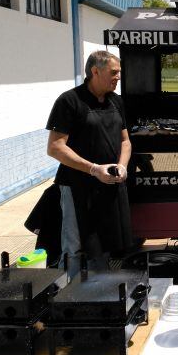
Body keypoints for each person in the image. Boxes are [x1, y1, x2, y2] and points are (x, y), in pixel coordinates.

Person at [46, 50, 132, 271]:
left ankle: (100, 292)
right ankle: (72, 297)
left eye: (119, 72)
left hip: (109, 184)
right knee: (75, 246)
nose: (118, 77)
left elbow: (125, 142)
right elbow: (55, 147)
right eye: (114, 72)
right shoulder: (69, 101)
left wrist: (121, 166)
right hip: (77, 186)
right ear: (95, 71)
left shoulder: (116, 102)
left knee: (103, 242)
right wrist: (94, 169)